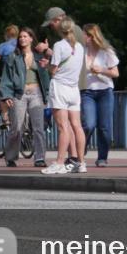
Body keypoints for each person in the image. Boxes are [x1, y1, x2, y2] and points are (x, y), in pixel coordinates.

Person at [0, 27, 51, 167]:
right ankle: (10, 156)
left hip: (36, 94)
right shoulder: (13, 57)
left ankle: (39, 158)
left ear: (31, 39)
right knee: (17, 127)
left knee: (38, 127)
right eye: (20, 37)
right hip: (19, 94)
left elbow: (46, 76)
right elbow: (6, 78)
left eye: (25, 36)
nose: (22, 39)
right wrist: (6, 95)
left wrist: (47, 96)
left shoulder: (39, 57)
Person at [42, 17, 87, 174]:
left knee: (63, 127)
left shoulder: (59, 45)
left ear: (61, 30)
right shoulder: (80, 47)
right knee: (76, 125)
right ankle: (81, 162)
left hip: (60, 87)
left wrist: (45, 65)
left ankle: (59, 162)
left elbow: (53, 70)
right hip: (74, 89)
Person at [81, 23, 120, 167]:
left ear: (91, 36)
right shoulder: (81, 51)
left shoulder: (107, 51)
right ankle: (81, 150)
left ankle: (102, 157)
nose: (82, 37)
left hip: (105, 91)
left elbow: (115, 73)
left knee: (105, 127)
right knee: (88, 124)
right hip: (87, 91)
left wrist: (101, 70)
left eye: (84, 34)